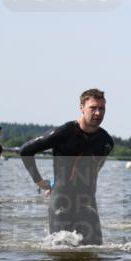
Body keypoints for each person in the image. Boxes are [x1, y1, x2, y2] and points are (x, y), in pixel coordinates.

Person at [20, 89, 114, 245]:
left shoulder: (106, 141)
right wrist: (39, 181)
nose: (98, 113)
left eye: (101, 108)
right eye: (93, 108)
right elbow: (26, 150)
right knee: (63, 257)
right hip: (61, 202)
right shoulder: (64, 133)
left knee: (94, 255)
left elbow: (95, 169)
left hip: (88, 203)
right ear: (82, 108)